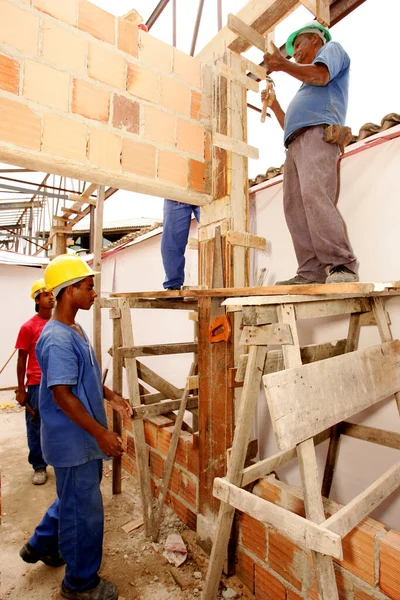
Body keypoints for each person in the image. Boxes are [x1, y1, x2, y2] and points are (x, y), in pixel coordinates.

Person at [19, 254, 132, 600]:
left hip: (82, 440)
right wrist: (102, 433)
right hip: (74, 442)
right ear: (69, 292)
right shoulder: (56, 339)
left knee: (72, 499)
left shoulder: (74, 328)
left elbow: (86, 376)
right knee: (83, 513)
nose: (94, 292)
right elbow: (64, 396)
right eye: (88, 286)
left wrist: (110, 396)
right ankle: (80, 584)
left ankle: (40, 545)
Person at [262, 22, 358, 285]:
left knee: (316, 196)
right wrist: (275, 105)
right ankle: (310, 272)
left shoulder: (333, 50)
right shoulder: (305, 86)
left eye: (299, 45)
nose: (294, 53)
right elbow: (288, 125)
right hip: (294, 143)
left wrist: (282, 65)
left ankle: (342, 265)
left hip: (318, 135)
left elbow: (321, 75)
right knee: (294, 207)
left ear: (316, 40)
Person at [15, 278, 54, 485]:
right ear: (37, 300)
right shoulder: (28, 327)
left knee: (57, 423)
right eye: (46, 295)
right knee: (36, 424)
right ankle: (39, 466)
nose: (51, 298)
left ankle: (57, 458)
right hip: (37, 384)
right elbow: (22, 360)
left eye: (52, 294)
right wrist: (21, 389)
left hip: (58, 383)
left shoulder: (60, 323)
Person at [161, 198, 200, 290]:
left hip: (208, 187)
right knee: (171, 241)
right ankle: (173, 286)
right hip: (175, 193)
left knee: (218, 228)